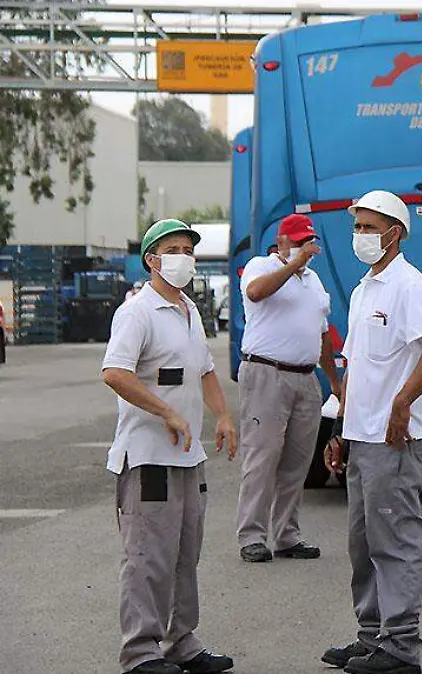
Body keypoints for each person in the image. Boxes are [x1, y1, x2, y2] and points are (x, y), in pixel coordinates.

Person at [321, 190, 422, 674]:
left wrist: (402, 402)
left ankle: (401, 647)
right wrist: (340, 428)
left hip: (395, 441)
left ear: (394, 233)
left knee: (393, 540)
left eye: (368, 227)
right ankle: (371, 635)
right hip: (362, 437)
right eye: (356, 226)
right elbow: (354, 364)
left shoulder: (408, 285)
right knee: (363, 542)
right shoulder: (363, 290)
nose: (359, 235)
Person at [101, 219, 238, 674]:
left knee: (184, 554)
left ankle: (182, 641)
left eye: (188, 248)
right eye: (173, 248)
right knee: (147, 557)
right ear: (151, 260)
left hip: (186, 457)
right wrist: (167, 412)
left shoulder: (188, 311)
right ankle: (140, 651)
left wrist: (222, 415)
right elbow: (115, 373)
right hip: (148, 459)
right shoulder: (137, 312)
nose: (183, 256)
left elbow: (204, 372)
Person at [234, 213, 340, 563]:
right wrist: (294, 263)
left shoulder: (313, 282)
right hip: (267, 372)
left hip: (305, 376)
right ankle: (252, 534)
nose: (304, 249)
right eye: (296, 243)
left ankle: (287, 534)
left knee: (297, 461)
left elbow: (322, 333)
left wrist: (334, 382)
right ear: (280, 242)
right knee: (262, 456)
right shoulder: (260, 266)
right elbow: (256, 292)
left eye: (308, 243)